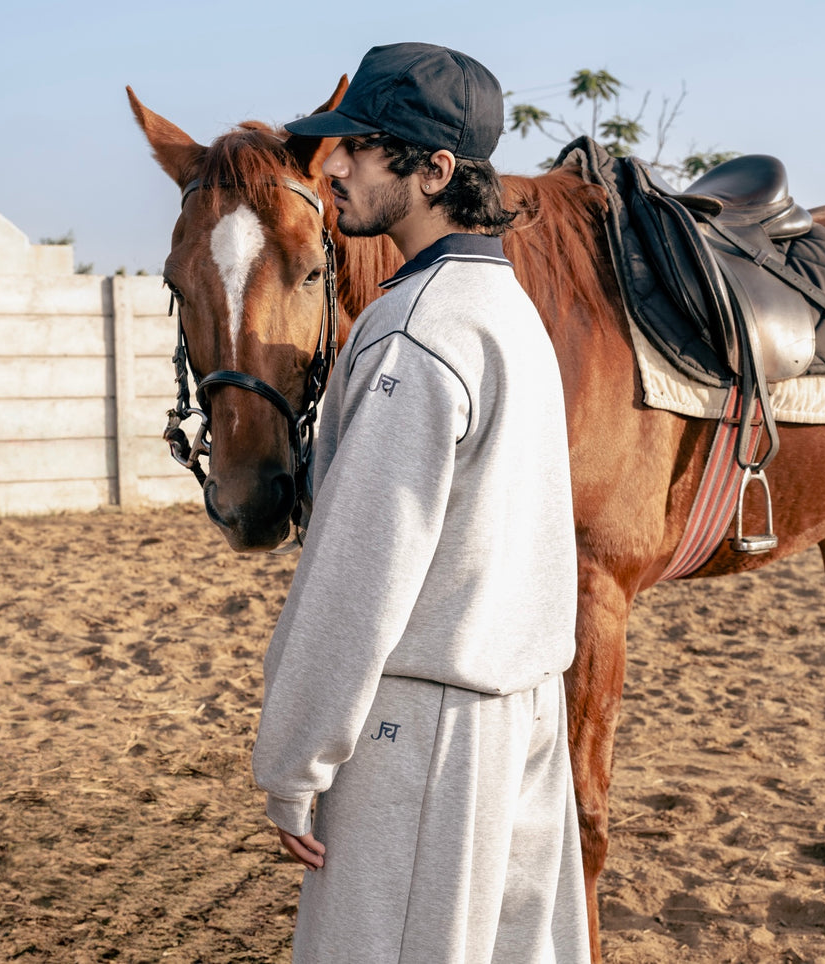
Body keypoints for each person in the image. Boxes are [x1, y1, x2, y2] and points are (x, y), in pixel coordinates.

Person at [253, 42, 588, 963]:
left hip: (423, 730)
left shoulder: (416, 329)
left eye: (362, 146)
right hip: (521, 710)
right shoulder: (507, 310)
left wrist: (293, 762)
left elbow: (360, 568)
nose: (335, 167)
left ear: (435, 170)